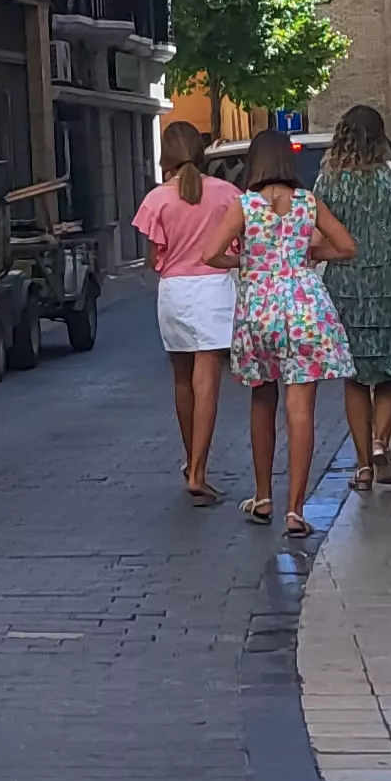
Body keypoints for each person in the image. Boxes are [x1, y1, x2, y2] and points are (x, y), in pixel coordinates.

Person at [207, 129, 355, 538]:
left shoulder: (246, 204)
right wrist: (305, 254)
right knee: (301, 407)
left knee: (262, 396)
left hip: (260, 306)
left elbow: (210, 253)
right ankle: (295, 510)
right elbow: (346, 247)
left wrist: (247, 261)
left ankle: (263, 494)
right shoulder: (308, 202)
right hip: (305, 303)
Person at [135, 120, 242, 506]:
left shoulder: (156, 200)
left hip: (175, 293)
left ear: (167, 155)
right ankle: (198, 469)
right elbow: (239, 245)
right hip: (214, 290)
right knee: (207, 383)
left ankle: (191, 461)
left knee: (182, 380)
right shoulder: (228, 194)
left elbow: (154, 259)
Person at [317, 107, 391, 492]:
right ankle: (381, 442)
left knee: (355, 378)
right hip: (389, 281)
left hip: (345, 286)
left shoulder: (327, 182)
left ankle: (362, 467)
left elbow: (318, 236)